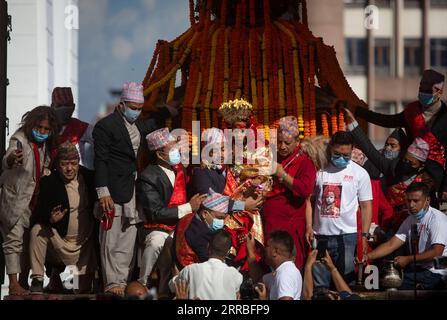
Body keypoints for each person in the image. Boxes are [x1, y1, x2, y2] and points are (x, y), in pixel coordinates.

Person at [93, 82, 177, 297]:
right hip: (113, 191)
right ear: (121, 105)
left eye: (139, 108)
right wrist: (103, 192)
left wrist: (169, 109)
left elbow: (151, 123)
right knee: (112, 239)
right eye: (133, 107)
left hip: (131, 191)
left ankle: (123, 283)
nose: (136, 111)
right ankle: (113, 284)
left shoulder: (138, 125)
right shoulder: (106, 126)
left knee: (128, 239)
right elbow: (100, 161)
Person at [354, 69, 447, 204]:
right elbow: (387, 121)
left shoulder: (445, 117)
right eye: (421, 88)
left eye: (428, 90)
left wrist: (445, 186)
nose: (423, 92)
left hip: (434, 176)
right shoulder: (412, 111)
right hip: (408, 167)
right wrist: (358, 112)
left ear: (439, 92)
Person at [136, 127, 206, 287]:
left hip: (182, 223)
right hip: (158, 226)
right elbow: (155, 212)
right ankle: (143, 282)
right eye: (173, 149)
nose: (177, 151)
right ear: (160, 155)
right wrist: (189, 207)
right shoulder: (148, 177)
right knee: (157, 242)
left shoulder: (180, 169)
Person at [0, 106, 58, 296]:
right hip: (16, 200)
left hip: (33, 202)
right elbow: (8, 158)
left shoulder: (44, 146)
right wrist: (12, 160)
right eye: (39, 127)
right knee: (13, 241)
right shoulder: (20, 139)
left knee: (26, 243)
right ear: (31, 123)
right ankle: (13, 283)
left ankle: (22, 282)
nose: (42, 132)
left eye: (46, 129)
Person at [29, 142, 97, 294]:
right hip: (60, 242)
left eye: (73, 163)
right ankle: (37, 279)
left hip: (83, 246)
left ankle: (62, 278)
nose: (69, 168)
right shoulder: (50, 181)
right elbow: (37, 215)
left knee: (77, 290)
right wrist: (50, 219)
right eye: (64, 164)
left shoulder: (89, 178)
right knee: (37, 230)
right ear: (58, 165)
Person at [311, 131, 373, 288]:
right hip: (320, 237)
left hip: (347, 237)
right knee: (320, 285)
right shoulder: (319, 170)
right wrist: (309, 227)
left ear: (352, 150)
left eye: (346, 155)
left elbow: (366, 207)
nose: (341, 158)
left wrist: (364, 237)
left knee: (345, 283)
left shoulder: (360, 173)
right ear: (331, 148)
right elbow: (309, 201)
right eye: (337, 154)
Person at [363, 182, 447, 290]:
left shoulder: (437, 220)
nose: (411, 205)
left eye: (416, 201)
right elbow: (391, 244)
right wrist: (368, 257)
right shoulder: (410, 219)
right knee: (382, 280)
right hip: (419, 269)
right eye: (408, 200)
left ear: (427, 201)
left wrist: (408, 259)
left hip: (436, 273)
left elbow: (437, 252)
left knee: (390, 283)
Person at [263, 116, 317, 270]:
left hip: (292, 223)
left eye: (287, 143)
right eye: (279, 142)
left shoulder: (305, 161)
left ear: (297, 142)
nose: (282, 146)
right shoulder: (272, 156)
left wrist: (282, 175)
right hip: (272, 222)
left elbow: (305, 190)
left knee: (291, 264)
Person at [169, 229, 243, 300]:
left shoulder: (191, 270)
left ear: (208, 246)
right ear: (228, 253)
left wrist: (176, 275)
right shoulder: (236, 276)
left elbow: (172, 286)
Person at [174, 188, 230, 269]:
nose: (222, 222)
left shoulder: (189, 217)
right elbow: (212, 264)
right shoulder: (200, 235)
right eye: (219, 218)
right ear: (204, 214)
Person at [246, 230, 303, 300]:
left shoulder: (285, 274)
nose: (264, 249)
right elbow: (258, 279)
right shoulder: (283, 271)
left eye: (267, 246)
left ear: (275, 251)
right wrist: (250, 251)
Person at [51, 87, 94, 170]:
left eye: (67, 105)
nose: (63, 109)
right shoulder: (46, 129)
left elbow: (103, 141)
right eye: (59, 106)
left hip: (77, 177)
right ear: (52, 106)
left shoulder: (81, 127)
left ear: (73, 107)